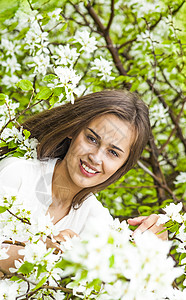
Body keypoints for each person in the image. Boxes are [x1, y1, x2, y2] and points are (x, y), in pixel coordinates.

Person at [0, 90, 167, 273]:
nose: (95, 158)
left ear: (123, 165)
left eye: (113, 152)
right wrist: (43, 248)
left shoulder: (98, 221)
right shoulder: (16, 174)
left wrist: (155, 250)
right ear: (73, 129)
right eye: (92, 139)